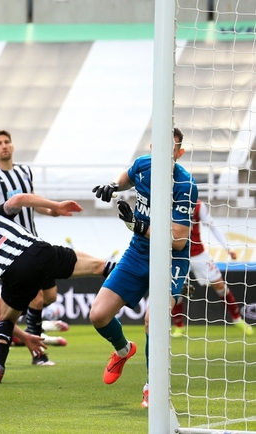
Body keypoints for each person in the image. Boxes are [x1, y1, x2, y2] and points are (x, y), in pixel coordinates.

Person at [0, 192, 116, 383]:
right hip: (38, 252)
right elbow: (18, 199)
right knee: (97, 266)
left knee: (5, 322)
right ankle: (140, 274)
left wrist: (24, 336)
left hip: (15, 274)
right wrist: (55, 206)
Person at [90, 127, 198, 408]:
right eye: (159, 147)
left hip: (171, 260)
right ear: (152, 147)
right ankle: (123, 350)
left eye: (171, 149)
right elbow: (126, 176)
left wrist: (139, 225)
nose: (163, 154)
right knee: (98, 315)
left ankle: (153, 387)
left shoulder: (185, 184)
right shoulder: (143, 165)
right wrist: (112, 186)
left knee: (154, 318)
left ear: (179, 153)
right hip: (139, 252)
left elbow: (177, 240)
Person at [0, 130, 67, 366]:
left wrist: (51, 210)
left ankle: (20, 324)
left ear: (12, 146)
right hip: (11, 252)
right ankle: (39, 354)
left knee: (49, 296)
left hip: (34, 242)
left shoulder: (25, 171)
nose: (4, 146)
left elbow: (30, 199)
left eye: (7, 142)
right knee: (36, 297)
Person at [171, 200, 253, 337]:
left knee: (220, 286)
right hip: (177, 255)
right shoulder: (169, 203)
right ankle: (179, 327)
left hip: (199, 254)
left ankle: (237, 319)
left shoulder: (198, 205)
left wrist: (227, 248)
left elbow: (213, 226)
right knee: (176, 292)